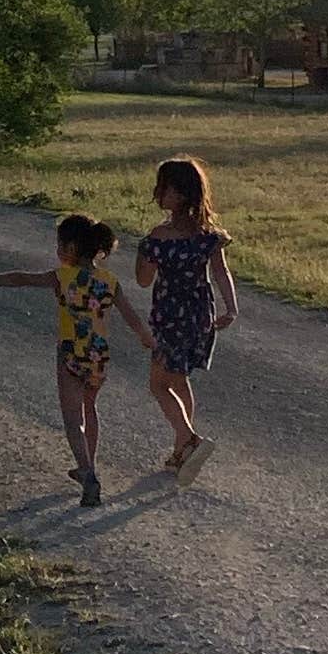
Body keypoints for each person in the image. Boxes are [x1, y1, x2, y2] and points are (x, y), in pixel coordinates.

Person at [0, 211, 150, 506]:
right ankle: (89, 463)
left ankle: (88, 473)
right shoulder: (109, 281)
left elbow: (22, 278)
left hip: (70, 353)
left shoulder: (62, 277)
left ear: (72, 248)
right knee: (90, 408)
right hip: (99, 356)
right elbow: (131, 316)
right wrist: (147, 338)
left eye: (60, 245)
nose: (57, 251)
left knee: (71, 416)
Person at [135, 154, 236, 476]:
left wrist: (145, 252)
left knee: (158, 385)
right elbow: (221, 273)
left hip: (170, 315)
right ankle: (180, 451)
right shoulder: (209, 235)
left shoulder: (159, 237)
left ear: (176, 193)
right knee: (179, 380)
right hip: (199, 315)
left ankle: (189, 439)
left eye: (162, 188)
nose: (158, 193)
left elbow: (143, 279)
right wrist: (231, 308)